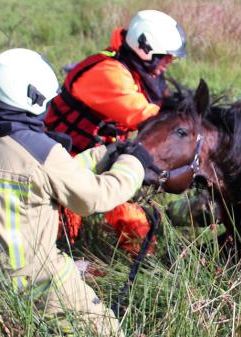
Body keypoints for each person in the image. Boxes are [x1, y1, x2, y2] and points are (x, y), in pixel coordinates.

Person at [0, 48, 161, 337]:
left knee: (41, 333)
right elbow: (94, 198)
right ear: (32, 98)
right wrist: (134, 163)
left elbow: (42, 179)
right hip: (32, 278)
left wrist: (103, 155)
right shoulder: (41, 153)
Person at [44, 9, 185, 254]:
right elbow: (146, 116)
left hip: (103, 156)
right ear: (145, 49)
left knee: (133, 221)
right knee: (62, 230)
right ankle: (60, 257)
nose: (169, 63)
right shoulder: (109, 74)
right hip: (66, 159)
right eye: (166, 57)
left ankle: (144, 263)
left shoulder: (137, 70)